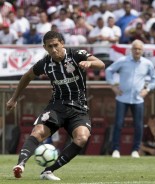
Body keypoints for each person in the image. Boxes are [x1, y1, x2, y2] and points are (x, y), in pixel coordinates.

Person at [6, 31, 105, 180]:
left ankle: (48, 171)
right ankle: (20, 164)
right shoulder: (44, 63)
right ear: (45, 47)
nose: (53, 49)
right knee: (38, 131)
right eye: (49, 46)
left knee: (82, 138)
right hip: (56, 105)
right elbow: (27, 77)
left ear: (62, 43)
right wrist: (14, 98)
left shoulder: (76, 54)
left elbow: (101, 64)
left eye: (56, 45)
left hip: (78, 107)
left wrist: (89, 62)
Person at [105, 39, 155, 158]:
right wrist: (113, 86)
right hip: (122, 98)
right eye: (135, 48)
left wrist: (148, 89)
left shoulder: (147, 63)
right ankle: (115, 150)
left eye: (139, 49)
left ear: (142, 50)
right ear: (131, 49)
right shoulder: (122, 61)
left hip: (138, 99)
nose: (137, 51)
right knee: (118, 124)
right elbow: (109, 70)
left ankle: (135, 150)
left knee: (138, 125)